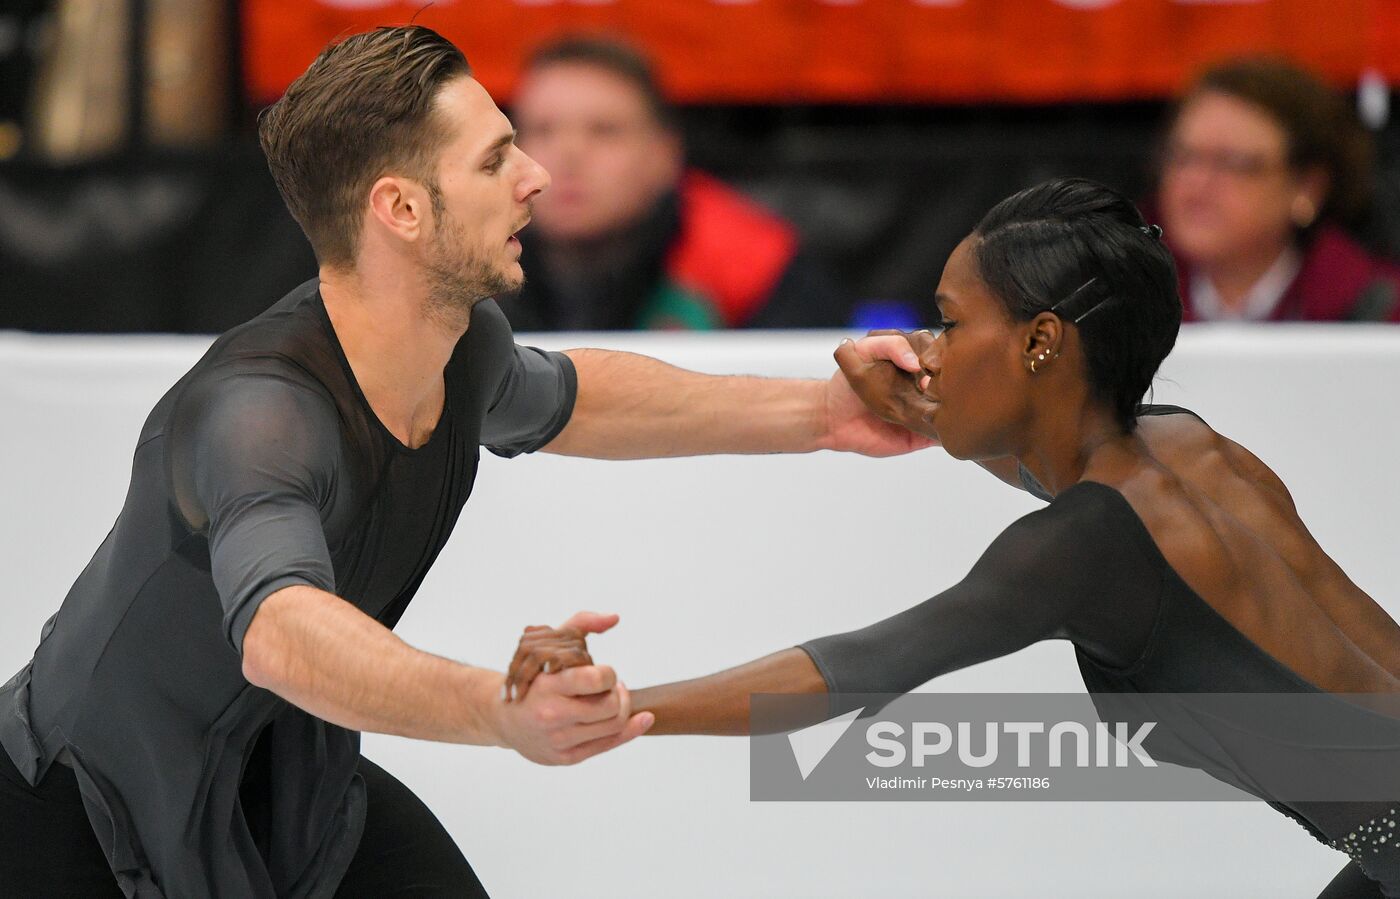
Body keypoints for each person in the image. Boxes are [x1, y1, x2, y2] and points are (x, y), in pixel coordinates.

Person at [0, 25, 933, 898]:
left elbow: (571, 396)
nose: (535, 175)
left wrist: (821, 410)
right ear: (400, 208)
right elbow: (280, 632)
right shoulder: (261, 414)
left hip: (292, 788)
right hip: (82, 814)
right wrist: (498, 709)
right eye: (495, 157)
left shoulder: (460, 343)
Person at [508, 179, 1400, 897]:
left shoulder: (1085, 544)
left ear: (1042, 343)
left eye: (950, 321)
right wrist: (930, 406)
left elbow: (848, 671)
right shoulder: (1189, 445)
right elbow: (1054, 460)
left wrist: (623, 706)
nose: (926, 348)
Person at [496, 36, 849, 331]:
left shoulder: (754, 266)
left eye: (605, 131)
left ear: (665, 154)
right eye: (542, 130)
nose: (568, 156)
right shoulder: (465, 252)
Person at [1157, 57, 1400, 323]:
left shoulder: (1377, 306)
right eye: (1183, 157)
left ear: (1308, 187)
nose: (1196, 181)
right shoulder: (1121, 291)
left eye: (1233, 162)